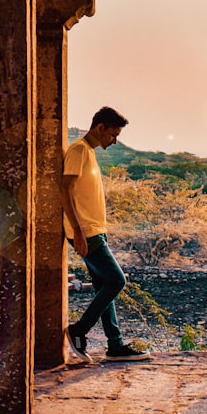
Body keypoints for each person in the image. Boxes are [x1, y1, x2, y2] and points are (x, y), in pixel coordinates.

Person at [60, 106, 150, 362]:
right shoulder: (78, 150)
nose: (114, 140)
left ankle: (115, 345)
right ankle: (79, 330)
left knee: (104, 286)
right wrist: (77, 231)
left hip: (94, 231)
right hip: (86, 233)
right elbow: (64, 189)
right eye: (113, 134)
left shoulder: (87, 152)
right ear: (100, 127)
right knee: (116, 281)